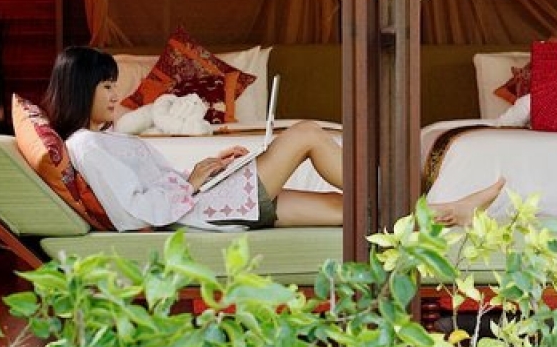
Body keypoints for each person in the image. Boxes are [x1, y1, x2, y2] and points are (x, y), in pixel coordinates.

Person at [42, 46, 505, 232]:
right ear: (81, 88)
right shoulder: (87, 145)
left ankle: (449, 212)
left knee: (350, 212)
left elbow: (153, 187)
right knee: (305, 133)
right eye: (107, 87)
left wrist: (202, 169)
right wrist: (193, 183)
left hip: (209, 200)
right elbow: (135, 212)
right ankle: (408, 196)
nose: (116, 95)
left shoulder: (102, 139)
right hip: (206, 210)